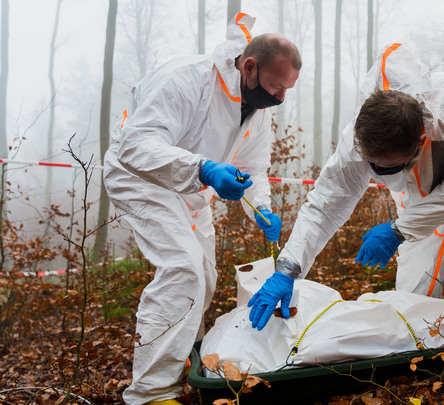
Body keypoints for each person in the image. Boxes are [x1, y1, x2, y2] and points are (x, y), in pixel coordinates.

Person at [247, 43, 444, 405]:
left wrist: (397, 229)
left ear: (419, 140)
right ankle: (427, 351)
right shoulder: (360, 137)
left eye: (387, 169)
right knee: (415, 276)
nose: (379, 173)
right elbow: (325, 205)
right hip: (415, 193)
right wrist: (287, 268)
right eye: (374, 166)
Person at [103, 13, 301, 405]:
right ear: (249, 67)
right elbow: (134, 145)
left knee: (205, 279)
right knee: (183, 268)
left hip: (193, 192)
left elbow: (253, 168)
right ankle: (152, 391)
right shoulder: (186, 79)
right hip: (141, 179)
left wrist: (261, 205)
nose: (280, 98)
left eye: (287, 90)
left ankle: (185, 358)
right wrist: (204, 168)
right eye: (276, 86)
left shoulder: (258, 111)